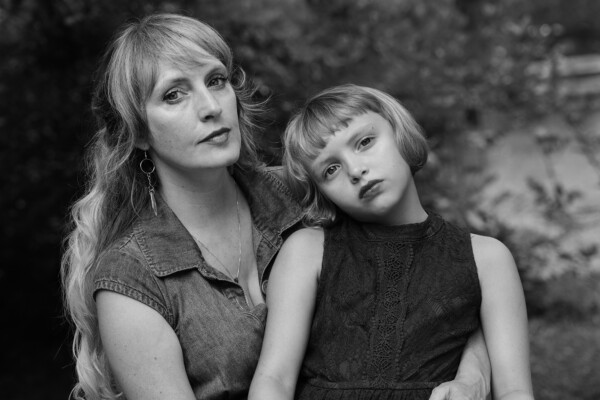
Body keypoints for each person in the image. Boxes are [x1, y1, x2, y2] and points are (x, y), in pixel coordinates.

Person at [61, 14, 492, 400]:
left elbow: (440, 278)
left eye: (215, 80)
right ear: (137, 133)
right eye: (173, 95)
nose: (211, 107)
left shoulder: (304, 190)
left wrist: (474, 373)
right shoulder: (130, 282)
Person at [249, 84, 534, 400]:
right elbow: (274, 380)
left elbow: (515, 391)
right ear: (323, 194)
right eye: (331, 169)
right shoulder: (307, 251)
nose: (356, 170)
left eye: (365, 142)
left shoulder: (488, 258)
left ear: (399, 133)